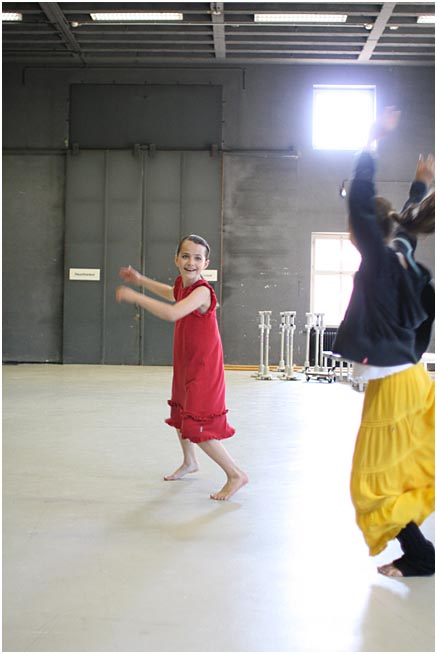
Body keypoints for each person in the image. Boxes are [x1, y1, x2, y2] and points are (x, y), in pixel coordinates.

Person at [333, 107, 435, 577]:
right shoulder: (400, 251)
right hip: (409, 379)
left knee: (371, 483)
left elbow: (361, 200)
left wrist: (371, 141)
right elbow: (407, 224)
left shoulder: (378, 259)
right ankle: (417, 551)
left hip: (395, 383)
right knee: (395, 473)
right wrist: (419, 186)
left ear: (361, 232)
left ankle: (421, 556)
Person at [116, 234, 248, 501]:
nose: (191, 262)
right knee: (181, 412)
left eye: (198, 258)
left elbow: (173, 312)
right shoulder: (183, 286)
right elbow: (171, 293)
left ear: (206, 264)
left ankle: (235, 474)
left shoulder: (202, 291)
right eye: (186, 256)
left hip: (204, 366)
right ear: (176, 259)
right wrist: (140, 280)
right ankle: (190, 462)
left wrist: (136, 297)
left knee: (198, 425)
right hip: (187, 362)